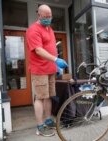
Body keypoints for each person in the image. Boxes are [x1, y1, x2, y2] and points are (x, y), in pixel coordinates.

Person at [26, 4, 68, 137]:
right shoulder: (33, 30)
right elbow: (38, 50)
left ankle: (48, 120)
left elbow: (51, 47)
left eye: (50, 16)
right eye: (45, 16)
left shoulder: (49, 29)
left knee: (49, 95)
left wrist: (55, 66)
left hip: (50, 69)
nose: (48, 19)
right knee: (40, 97)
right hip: (39, 69)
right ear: (39, 15)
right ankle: (39, 126)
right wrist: (56, 60)